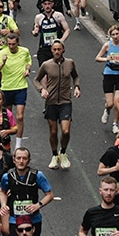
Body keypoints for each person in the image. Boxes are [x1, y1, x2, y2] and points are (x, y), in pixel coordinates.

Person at [35, 40, 80, 170]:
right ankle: (55, 155)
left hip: (66, 101)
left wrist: (77, 87)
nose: (57, 52)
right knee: (53, 131)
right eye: (54, 49)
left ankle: (63, 152)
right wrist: (42, 89)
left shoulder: (70, 63)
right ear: (51, 51)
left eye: (59, 49)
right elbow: (36, 79)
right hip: (51, 102)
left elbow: (76, 76)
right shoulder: (46, 65)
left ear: (63, 50)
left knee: (65, 131)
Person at [0, 31, 34, 150]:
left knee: (20, 116)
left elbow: (28, 61)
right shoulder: (1, 54)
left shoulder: (24, 51)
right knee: (7, 117)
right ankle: (6, 141)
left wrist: (28, 69)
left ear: (17, 43)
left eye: (13, 44)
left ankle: (18, 144)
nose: (11, 47)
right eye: (9, 44)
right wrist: (2, 64)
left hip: (20, 87)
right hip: (6, 88)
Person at [95, 24, 119, 128]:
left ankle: (115, 124)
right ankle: (107, 109)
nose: (115, 36)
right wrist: (107, 59)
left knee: (117, 102)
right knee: (110, 103)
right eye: (113, 34)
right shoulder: (107, 46)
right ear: (110, 36)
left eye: (117, 34)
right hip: (108, 74)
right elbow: (97, 58)